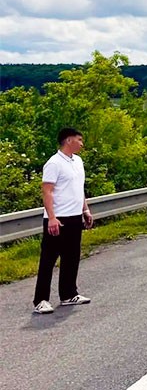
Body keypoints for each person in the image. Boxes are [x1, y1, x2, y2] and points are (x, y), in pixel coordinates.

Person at [33, 127, 94, 315]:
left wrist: (85, 209)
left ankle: (68, 294)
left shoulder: (78, 161)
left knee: (72, 257)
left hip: (75, 217)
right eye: (79, 140)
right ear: (68, 140)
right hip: (58, 219)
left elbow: (78, 188)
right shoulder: (54, 163)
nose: (82, 144)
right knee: (49, 259)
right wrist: (51, 217)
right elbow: (47, 191)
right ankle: (41, 300)